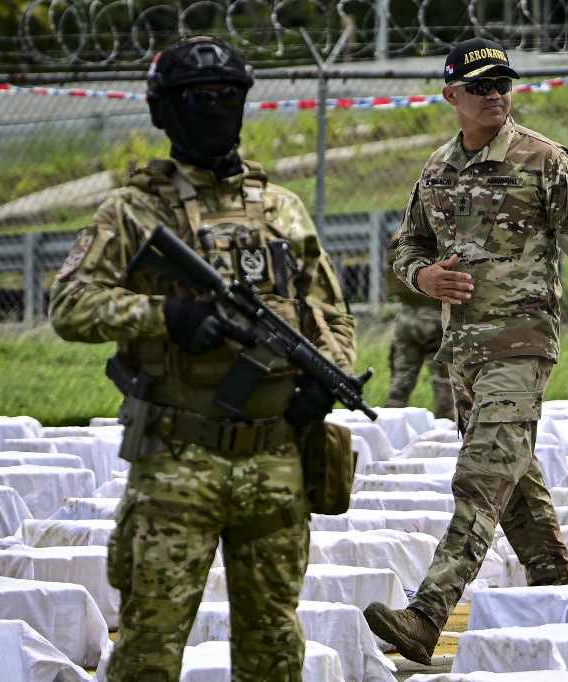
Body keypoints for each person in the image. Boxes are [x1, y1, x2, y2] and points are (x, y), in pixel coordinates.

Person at [49, 36, 355, 681]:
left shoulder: (281, 208)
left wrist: (326, 379)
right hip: (176, 459)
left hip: (275, 457)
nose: (213, 109)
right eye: (196, 98)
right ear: (165, 111)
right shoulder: (133, 211)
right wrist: (166, 316)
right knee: (149, 647)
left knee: (275, 646)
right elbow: (70, 304)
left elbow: (329, 310)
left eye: (225, 96)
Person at [363, 37, 568, 665]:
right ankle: (558, 595)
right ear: (452, 95)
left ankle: (427, 614)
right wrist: (424, 277)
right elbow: (406, 249)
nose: (496, 95)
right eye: (481, 87)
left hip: (521, 348)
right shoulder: (437, 169)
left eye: (503, 83)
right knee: (514, 482)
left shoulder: (544, 160)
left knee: (479, 478)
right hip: (463, 355)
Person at [384, 227, 456, 421]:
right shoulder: (442, 230)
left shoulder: (401, 233)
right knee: (444, 386)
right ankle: (448, 432)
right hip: (437, 316)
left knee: (399, 386)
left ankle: (389, 428)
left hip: (406, 316)